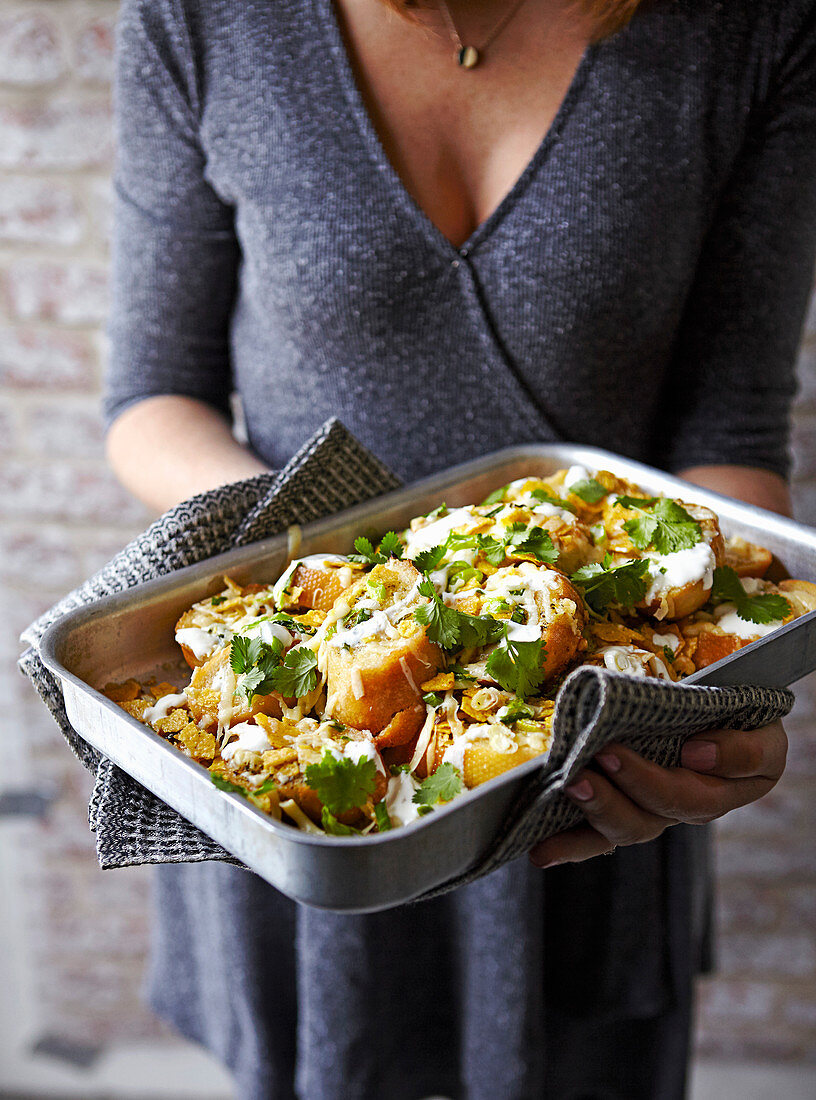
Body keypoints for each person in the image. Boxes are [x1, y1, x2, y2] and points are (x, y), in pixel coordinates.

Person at [104, 1, 816, 1097]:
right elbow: (152, 396)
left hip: (594, 740)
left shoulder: (755, 30)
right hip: (287, 727)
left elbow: (729, 437)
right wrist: (334, 579)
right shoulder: (199, 18)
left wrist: (725, 690)